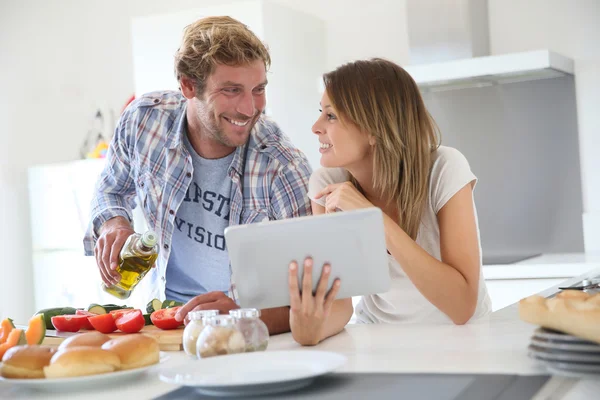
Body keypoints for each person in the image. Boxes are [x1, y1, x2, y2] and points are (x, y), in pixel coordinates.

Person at [83, 16, 312, 334]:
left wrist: (244, 315)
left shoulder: (282, 165)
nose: (249, 108)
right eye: (232, 90)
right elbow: (111, 189)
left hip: (243, 337)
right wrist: (113, 222)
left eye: (258, 89)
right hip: (162, 321)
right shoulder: (143, 121)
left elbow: (313, 297)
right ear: (189, 85)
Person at [288, 58, 492, 346]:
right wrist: (309, 329)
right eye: (321, 113)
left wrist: (373, 218)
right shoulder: (325, 183)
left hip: (463, 339)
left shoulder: (444, 168)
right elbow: (340, 304)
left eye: (331, 116)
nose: (315, 127)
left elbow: (461, 307)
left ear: (373, 128)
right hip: (380, 338)